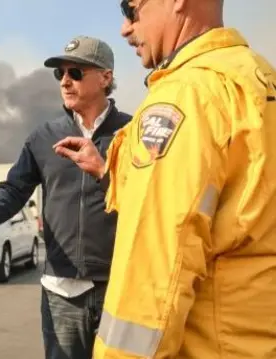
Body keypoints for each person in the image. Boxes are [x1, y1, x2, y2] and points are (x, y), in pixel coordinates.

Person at [54, 1, 276, 357]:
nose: (125, 28)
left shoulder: (185, 97)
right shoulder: (258, 78)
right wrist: (106, 169)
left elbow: (156, 273)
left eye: (131, 8)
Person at [0, 36, 131, 359]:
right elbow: (14, 187)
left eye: (75, 72)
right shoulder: (43, 137)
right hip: (61, 293)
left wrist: (105, 170)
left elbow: (150, 199)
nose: (65, 81)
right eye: (60, 74)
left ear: (106, 77)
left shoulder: (131, 133)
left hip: (120, 287)